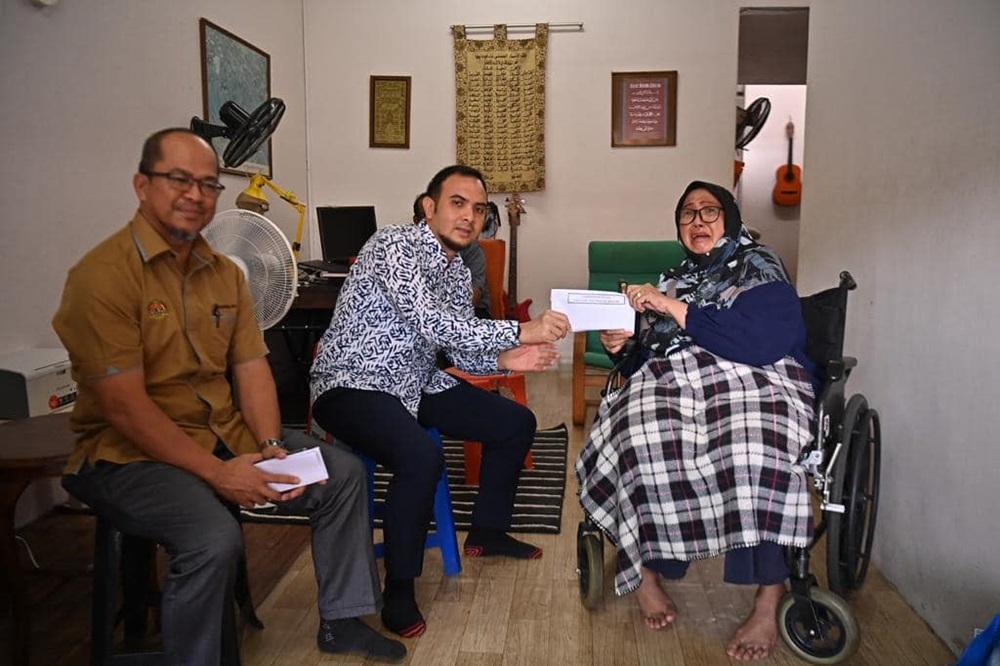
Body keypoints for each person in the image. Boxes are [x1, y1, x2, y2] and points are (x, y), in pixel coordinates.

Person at [52, 128, 405, 664]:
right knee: (214, 539)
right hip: (127, 458)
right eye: (179, 180)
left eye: (208, 185)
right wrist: (219, 474)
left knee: (342, 475)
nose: (195, 194)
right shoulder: (102, 277)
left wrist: (266, 445)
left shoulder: (224, 274)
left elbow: (252, 369)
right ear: (141, 185)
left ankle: (341, 620)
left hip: (223, 437)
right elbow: (125, 407)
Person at [311, 164, 569, 638]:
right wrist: (521, 329)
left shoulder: (455, 272)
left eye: (478, 208)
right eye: (457, 203)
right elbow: (434, 324)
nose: (469, 217)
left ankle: (487, 531)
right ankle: (400, 587)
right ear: (428, 207)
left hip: (417, 382)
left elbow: (458, 347)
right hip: (353, 383)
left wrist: (511, 359)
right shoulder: (392, 245)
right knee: (420, 457)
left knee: (516, 424)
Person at [576, 180, 817, 661]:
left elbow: (759, 341)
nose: (698, 221)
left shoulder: (759, 266)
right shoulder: (673, 278)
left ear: (730, 218)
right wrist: (625, 347)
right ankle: (646, 570)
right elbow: (648, 353)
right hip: (675, 380)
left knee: (757, 442)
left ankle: (769, 598)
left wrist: (668, 306)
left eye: (710, 211)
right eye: (687, 214)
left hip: (756, 377)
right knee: (635, 433)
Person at [414, 191, 491, 319]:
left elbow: (473, 297)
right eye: (425, 216)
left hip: (473, 312)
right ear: (416, 220)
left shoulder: (470, 248)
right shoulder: (406, 249)